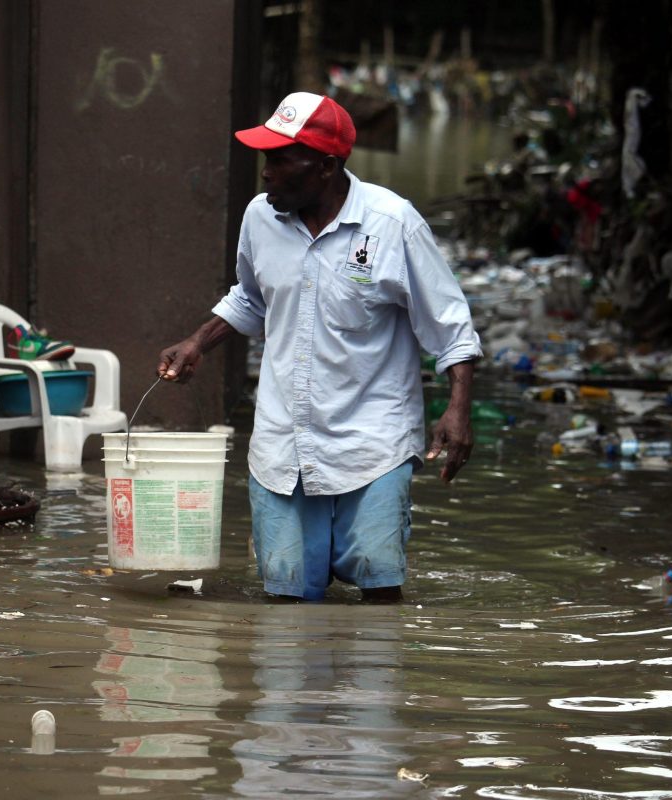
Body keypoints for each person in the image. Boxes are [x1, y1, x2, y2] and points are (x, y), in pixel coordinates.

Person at [157, 91, 482, 603]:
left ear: (326, 166)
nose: (266, 173)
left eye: (282, 160)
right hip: (283, 443)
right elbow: (251, 297)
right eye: (266, 158)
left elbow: (450, 325)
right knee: (285, 601)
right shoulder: (260, 218)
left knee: (378, 596)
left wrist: (458, 409)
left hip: (372, 442)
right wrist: (199, 341)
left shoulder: (392, 224)